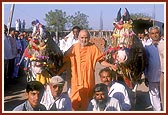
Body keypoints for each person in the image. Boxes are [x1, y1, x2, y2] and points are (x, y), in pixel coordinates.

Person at [57, 29, 117, 111]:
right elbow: (67, 62)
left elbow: (101, 60)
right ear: (78, 38)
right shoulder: (73, 48)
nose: (84, 40)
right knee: (74, 102)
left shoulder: (93, 48)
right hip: (76, 81)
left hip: (89, 80)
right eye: (82, 37)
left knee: (89, 102)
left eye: (86, 37)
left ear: (89, 38)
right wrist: (59, 72)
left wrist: (111, 65)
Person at [144, 26, 162, 111]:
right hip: (152, 76)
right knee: (155, 97)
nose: (155, 35)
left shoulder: (165, 44)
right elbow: (145, 63)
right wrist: (146, 76)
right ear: (150, 35)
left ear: (160, 34)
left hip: (164, 77)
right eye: (152, 33)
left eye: (156, 33)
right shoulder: (147, 48)